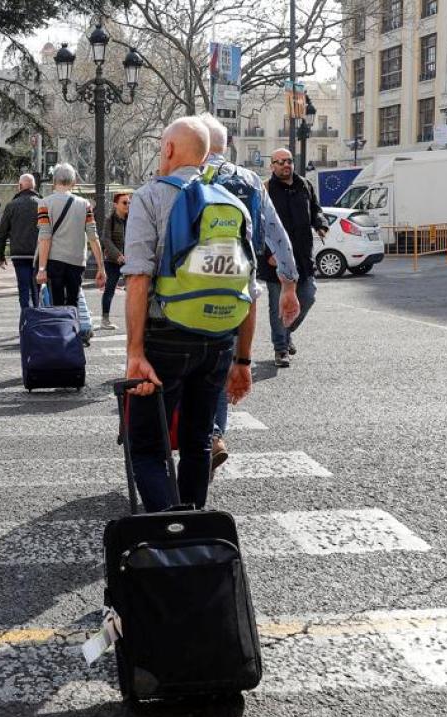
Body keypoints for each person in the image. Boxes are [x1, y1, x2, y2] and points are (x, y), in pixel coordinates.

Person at [121, 116, 258, 512]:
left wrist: (134, 352)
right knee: (198, 440)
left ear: (167, 150)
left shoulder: (150, 196)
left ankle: (169, 528)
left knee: (147, 445)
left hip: (165, 337)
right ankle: (193, 527)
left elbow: (138, 278)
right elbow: (249, 290)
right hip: (218, 340)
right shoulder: (233, 204)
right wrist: (243, 360)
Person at [198, 114, 301, 475]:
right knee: (224, 361)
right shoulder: (251, 181)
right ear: (226, 145)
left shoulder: (188, 178)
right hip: (240, 289)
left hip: (190, 289)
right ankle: (213, 435)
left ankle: (190, 437)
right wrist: (289, 283)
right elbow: (276, 232)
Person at [265, 147, 329, 368]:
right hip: (276, 260)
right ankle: (281, 348)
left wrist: (321, 224)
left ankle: (287, 332)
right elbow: (257, 225)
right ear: (272, 166)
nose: (285, 165)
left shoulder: (305, 185)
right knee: (278, 305)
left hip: (302, 257)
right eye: (280, 161)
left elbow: (316, 209)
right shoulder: (265, 189)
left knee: (308, 296)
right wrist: (268, 253)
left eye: (289, 161)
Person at [34, 163, 107, 307]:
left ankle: (60, 328)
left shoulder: (44, 203)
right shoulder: (85, 204)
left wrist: (41, 268)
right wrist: (101, 267)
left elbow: (45, 237)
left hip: (54, 260)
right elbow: (93, 237)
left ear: (54, 182)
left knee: (57, 304)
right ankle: (72, 328)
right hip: (77, 261)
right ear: (74, 182)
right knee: (73, 302)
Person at [0, 174, 43, 309]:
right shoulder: (42, 204)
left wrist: (0, 254)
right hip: (38, 253)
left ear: (20, 186)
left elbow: (2, 232)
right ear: (33, 187)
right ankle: (37, 313)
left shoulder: (11, 205)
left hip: (19, 253)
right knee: (36, 287)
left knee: (23, 287)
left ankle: (26, 316)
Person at [99, 192, 130, 329]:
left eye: (129, 202)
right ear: (115, 205)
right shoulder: (110, 219)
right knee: (110, 289)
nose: (127, 205)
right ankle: (105, 319)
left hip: (130, 260)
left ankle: (137, 321)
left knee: (135, 290)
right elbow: (106, 239)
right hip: (113, 261)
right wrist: (117, 255)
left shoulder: (132, 219)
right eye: (124, 202)